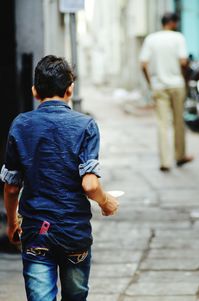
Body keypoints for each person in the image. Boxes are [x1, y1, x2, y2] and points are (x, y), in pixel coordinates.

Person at [0, 55, 119, 301]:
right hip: (73, 232)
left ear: (34, 91)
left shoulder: (21, 125)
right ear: (70, 89)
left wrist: (12, 223)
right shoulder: (85, 125)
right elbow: (90, 184)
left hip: (35, 231)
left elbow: (11, 188)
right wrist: (106, 202)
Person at [140, 12, 193, 171]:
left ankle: (165, 162)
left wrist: (151, 83)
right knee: (178, 122)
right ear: (173, 23)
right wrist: (184, 79)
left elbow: (143, 64)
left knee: (162, 124)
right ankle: (180, 156)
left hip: (159, 86)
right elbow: (183, 61)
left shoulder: (151, 39)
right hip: (176, 84)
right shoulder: (178, 38)